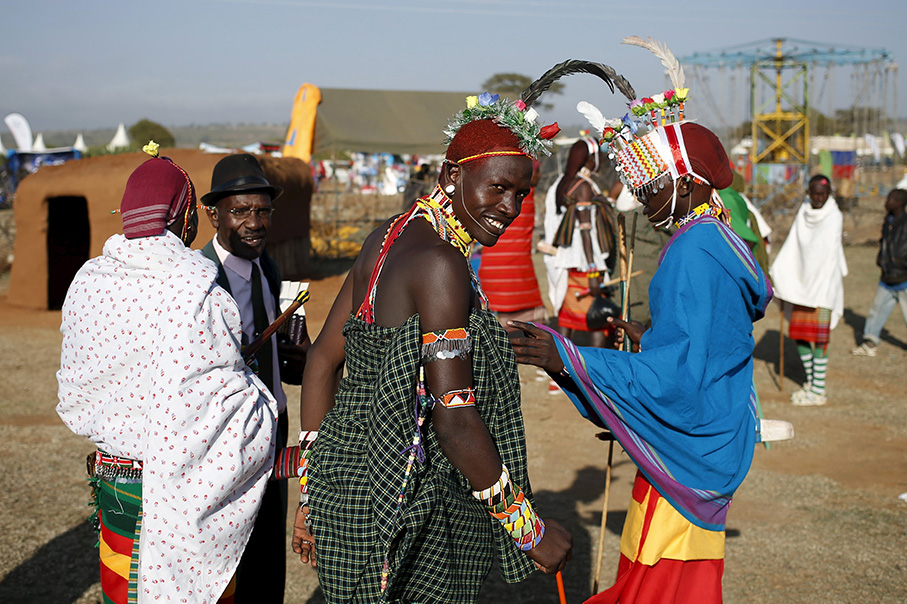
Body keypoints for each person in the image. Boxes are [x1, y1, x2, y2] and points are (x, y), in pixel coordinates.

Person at [292, 92, 573, 603]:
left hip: (347, 492)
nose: (509, 208)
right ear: (449, 178)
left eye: (521, 194)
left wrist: (314, 493)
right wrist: (529, 531)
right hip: (407, 500)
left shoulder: (386, 238)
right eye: (498, 188)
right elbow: (453, 417)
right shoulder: (442, 266)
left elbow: (321, 360)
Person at [511, 89, 777, 601]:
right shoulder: (718, 237)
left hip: (685, 452)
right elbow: (706, 346)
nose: (643, 197)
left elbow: (676, 377)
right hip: (715, 427)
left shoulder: (691, 252)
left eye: (651, 185)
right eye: (639, 185)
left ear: (690, 183)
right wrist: (650, 337)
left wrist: (566, 357)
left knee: (657, 586)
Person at [56, 144, 278, 603]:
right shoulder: (194, 284)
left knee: (124, 590)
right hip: (180, 496)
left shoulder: (89, 279)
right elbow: (219, 413)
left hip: (116, 483)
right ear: (185, 217)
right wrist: (258, 393)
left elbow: (80, 389)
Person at [200, 153, 309, 604]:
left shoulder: (268, 268)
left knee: (267, 547)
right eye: (240, 211)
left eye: (263, 211)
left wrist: (289, 362)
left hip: (273, 426)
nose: (254, 222)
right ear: (214, 214)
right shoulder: (200, 280)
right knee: (230, 552)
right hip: (227, 436)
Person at [769, 175, 848, 406]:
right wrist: (784, 272)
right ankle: (812, 384)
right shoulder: (803, 212)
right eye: (814, 194)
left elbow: (826, 253)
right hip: (801, 284)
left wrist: (817, 285)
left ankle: (819, 391)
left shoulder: (834, 216)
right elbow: (795, 245)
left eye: (823, 194)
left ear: (830, 194)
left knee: (820, 339)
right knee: (800, 335)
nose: (819, 198)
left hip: (823, 287)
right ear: (807, 193)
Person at [542, 136, 618, 348]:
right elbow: (586, 232)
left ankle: (562, 369)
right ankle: (596, 371)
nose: (600, 162)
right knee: (596, 320)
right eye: (598, 157)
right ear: (590, 159)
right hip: (585, 263)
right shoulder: (583, 186)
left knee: (566, 318)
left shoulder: (559, 184)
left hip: (566, 262)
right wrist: (593, 270)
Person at [852, 188, 907, 358]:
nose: (887, 202)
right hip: (887, 278)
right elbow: (885, 243)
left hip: (905, 278)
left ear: (899, 202)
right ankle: (870, 343)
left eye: (890, 199)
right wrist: (881, 258)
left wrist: (906, 263)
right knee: (877, 310)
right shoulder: (889, 220)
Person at [478, 159, 548, 332]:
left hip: (490, 271)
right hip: (515, 274)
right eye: (535, 173)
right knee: (529, 327)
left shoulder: (494, 198)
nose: (538, 177)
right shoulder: (524, 198)